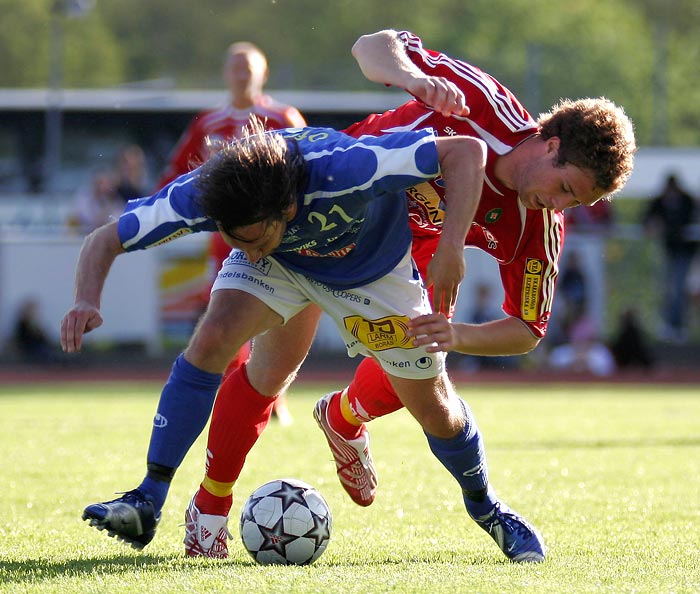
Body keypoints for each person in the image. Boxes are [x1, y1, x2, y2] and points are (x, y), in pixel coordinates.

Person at [179, 30, 635, 561]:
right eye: (566, 189)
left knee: (430, 381)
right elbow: (371, 46)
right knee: (266, 370)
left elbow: (528, 329)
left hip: (390, 266)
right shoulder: (480, 103)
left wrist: (456, 333)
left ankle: (448, 482)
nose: (559, 206)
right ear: (551, 145)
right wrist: (416, 80)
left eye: (575, 203)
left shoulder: (540, 225)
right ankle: (207, 508)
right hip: (323, 217)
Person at [60, 122, 510, 558]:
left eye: (252, 238)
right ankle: (154, 497)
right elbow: (104, 240)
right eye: (235, 239)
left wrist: (451, 247)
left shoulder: (348, 167)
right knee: (216, 338)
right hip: (285, 261)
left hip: (373, 272)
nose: (247, 251)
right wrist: (85, 300)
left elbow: (466, 150)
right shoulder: (204, 195)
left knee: (435, 409)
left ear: (289, 209)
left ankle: (486, 506)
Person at [158, 41, 306, 423]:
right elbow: (178, 175)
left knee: (281, 316)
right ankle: (234, 393)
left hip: (281, 238)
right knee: (226, 314)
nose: (242, 75)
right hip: (225, 241)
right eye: (235, 68)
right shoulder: (207, 123)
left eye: (249, 68)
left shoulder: (283, 116)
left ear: (263, 74)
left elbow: (310, 168)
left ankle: (275, 396)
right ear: (226, 73)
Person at [642, 173, 698, 343]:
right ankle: (669, 325)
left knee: (679, 288)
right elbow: (646, 220)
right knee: (669, 288)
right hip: (668, 251)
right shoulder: (659, 202)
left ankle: (679, 326)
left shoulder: (688, 201)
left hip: (687, 252)